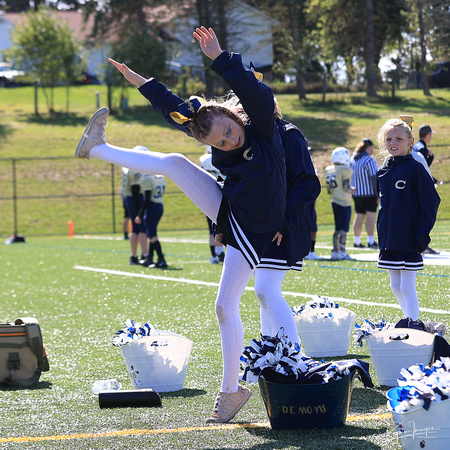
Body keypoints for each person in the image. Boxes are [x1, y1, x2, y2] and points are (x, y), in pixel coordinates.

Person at [75, 26, 289, 424]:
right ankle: (97, 149)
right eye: (220, 144)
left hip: (256, 226)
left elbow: (255, 92)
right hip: (233, 213)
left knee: (225, 306)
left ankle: (230, 392)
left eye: (229, 131)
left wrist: (219, 57)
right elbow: (173, 108)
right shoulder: (210, 130)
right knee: (174, 162)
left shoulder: (260, 127)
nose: (229, 141)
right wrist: (138, 80)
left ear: (232, 115)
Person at [255, 107, 322, 342]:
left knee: (265, 289)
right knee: (265, 294)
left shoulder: (289, 135)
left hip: (278, 227)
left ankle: (292, 356)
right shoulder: (246, 137)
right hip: (254, 226)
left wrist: (284, 221)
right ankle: (270, 352)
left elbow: (308, 183)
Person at [376, 118, 440, 320]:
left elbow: (431, 202)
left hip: (409, 237)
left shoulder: (415, 168)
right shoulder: (384, 170)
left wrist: (421, 234)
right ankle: (408, 319)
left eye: (398, 138)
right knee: (395, 285)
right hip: (389, 237)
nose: (393, 143)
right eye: (388, 139)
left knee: (406, 284)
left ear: (411, 141)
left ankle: (414, 323)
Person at [325, 147, 355, 260]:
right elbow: (346, 188)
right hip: (344, 202)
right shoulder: (344, 169)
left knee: (337, 228)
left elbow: (329, 190)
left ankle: (335, 251)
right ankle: (342, 251)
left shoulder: (329, 169)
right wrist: (353, 190)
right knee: (343, 228)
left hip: (334, 200)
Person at [198, 146, 225, 264]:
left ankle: (214, 254)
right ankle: (221, 253)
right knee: (222, 225)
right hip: (221, 192)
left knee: (212, 228)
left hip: (206, 194)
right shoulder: (222, 156)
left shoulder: (203, 159)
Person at [351, 138, 379, 249]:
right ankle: (371, 241)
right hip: (369, 194)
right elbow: (373, 178)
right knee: (371, 217)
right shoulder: (369, 160)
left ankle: (356, 241)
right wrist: (378, 193)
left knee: (359, 216)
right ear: (368, 147)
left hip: (356, 193)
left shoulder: (353, 159)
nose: (373, 149)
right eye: (372, 147)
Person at [137, 172, 168, 268]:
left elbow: (147, 199)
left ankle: (161, 259)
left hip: (152, 207)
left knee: (152, 235)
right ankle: (150, 258)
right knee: (151, 233)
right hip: (160, 206)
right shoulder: (161, 177)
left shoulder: (147, 179)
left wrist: (140, 215)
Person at [122, 158, 148, 265]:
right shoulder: (134, 169)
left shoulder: (128, 168)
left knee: (135, 228)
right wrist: (139, 212)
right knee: (140, 227)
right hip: (134, 198)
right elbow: (135, 188)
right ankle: (145, 255)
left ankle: (134, 256)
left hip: (129, 197)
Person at [304, 168, 324, 260]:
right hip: (303, 204)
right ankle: (306, 251)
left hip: (310, 205)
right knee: (306, 228)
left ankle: (311, 251)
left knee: (313, 228)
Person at [120, 167, 130, 240]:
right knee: (128, 216)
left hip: (125, 194)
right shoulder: (127, 169)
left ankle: (126, 234)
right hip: (128, 195)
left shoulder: (124, 169)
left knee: (126, 216)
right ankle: (126, 234)